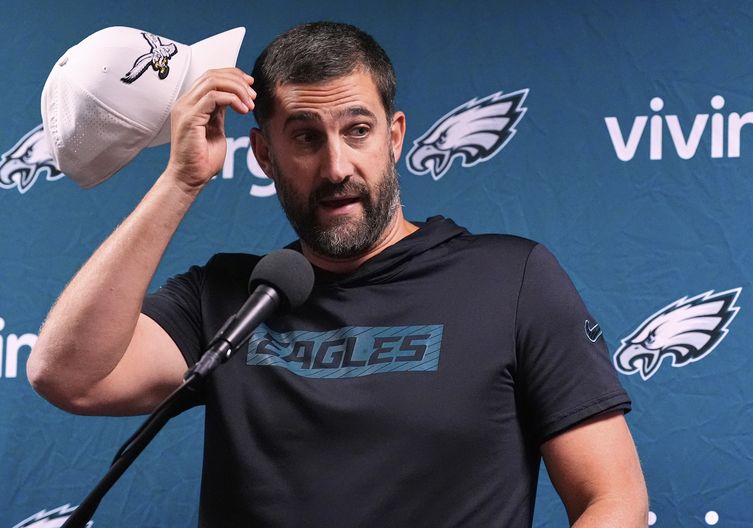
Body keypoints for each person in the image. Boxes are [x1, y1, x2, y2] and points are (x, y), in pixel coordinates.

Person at [28, 21, 648, 527]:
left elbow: (613, 500)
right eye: (304, 137)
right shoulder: (229, 299)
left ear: (395, 136)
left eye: (357, 131)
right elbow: (69, 377)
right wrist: (180, 180)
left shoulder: (513, 278)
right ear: (264, 154)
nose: (336, 166)